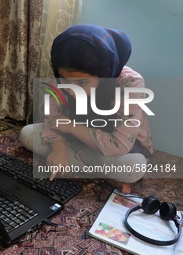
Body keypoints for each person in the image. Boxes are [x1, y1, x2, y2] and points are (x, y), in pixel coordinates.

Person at [19, 24, 153, 194]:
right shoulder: (65, 78)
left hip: (120, 147)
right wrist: (58, 147)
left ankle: (74, 162)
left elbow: (118, 145)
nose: (70, 89)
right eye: (64, 79)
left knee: (134, 167)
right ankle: (100, 174)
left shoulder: (131, 84)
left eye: (82, 83)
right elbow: (52, 117)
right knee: (27, 134)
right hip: (78, 137)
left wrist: (69, 127)